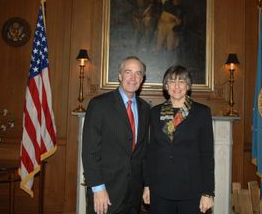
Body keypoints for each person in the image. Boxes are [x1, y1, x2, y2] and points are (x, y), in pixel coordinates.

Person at [82, 56, 150, 214]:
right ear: (120, 75)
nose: (133, 78)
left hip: (133, 194)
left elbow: (144, 152)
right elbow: (90, 151)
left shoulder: (145, 108)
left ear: (142, 78)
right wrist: (98, 188)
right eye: (128, 72)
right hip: (105, 191)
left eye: (138, 73)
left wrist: (147, 184)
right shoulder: (99, 105)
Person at [143, 65, 215, 214]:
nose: (176, 86)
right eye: (172, 81)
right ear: (166, 86)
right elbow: (151, 153)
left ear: (188, 86)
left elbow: (207, 155)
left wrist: (208, 192)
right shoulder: (155, 113)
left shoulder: (202, 113)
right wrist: (147, 185)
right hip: (160, 190)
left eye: (181, 81)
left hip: (191, 191)